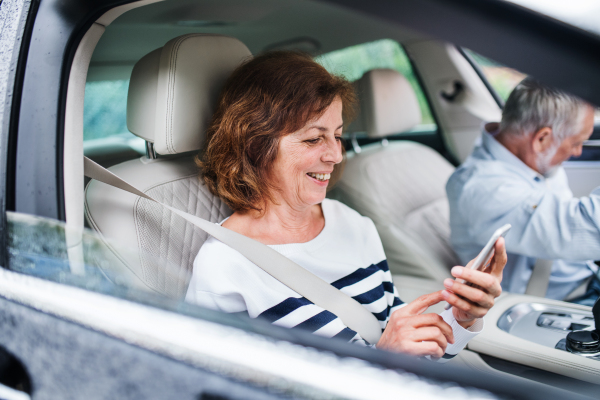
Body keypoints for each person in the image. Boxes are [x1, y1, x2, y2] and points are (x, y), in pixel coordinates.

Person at [186, 51, 506, 359]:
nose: (336, 155)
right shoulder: (224, 267)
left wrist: (462, 318)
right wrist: (382, 359)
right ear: (255, 145)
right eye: (314, 139)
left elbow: (404, 341)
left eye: (337, 136)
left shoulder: (352, 224)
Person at [447, 78, 600, 306]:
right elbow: (587, 226)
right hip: (563, 302)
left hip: (586, 276)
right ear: (542, 139)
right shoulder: (484, 189)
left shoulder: (532, 160)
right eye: (576, 142)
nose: (578, 152)